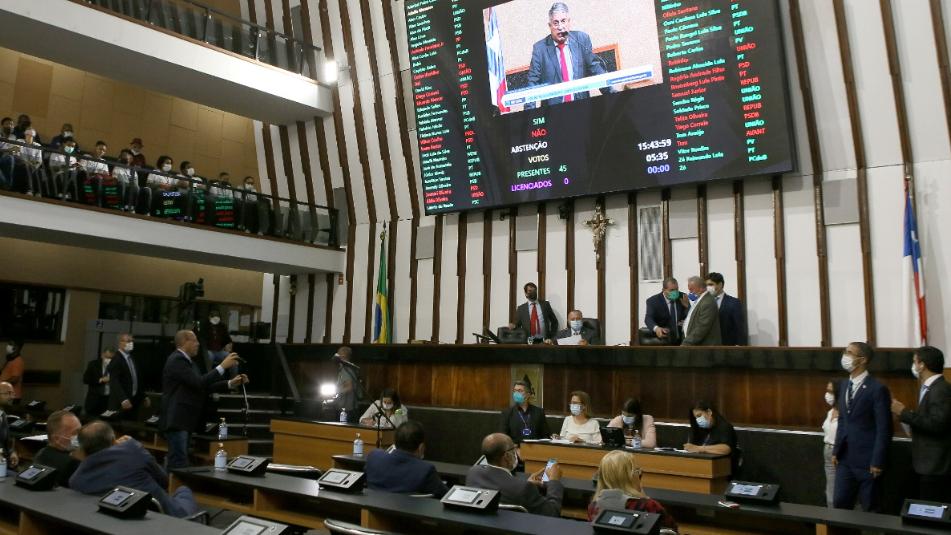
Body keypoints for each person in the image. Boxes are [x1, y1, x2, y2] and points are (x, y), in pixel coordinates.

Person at [69, 421, 199, 518]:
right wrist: (133, 446)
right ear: (113, 440)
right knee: (183, 489)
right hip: (168, 517)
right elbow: (164, 481)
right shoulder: (132, 450)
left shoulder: (77, 480)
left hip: (119, 523)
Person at [160, 330, 248, 470]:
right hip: (177, 420)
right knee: (178, 463)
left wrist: (230, 383)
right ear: (184, 342)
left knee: (180, 461)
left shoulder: (190, 363)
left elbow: (203, 386)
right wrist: (222, 366)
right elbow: (199, 382)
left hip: (184, 421)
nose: (198, 344)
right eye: (194, 340)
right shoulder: (177, 360)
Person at [832, 342, 891, 512]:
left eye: (849, 352)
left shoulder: (877, 389)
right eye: (845, 351)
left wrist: (877, 461)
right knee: (840, 503)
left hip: (868, 461)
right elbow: (842, 420)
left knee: (870, 508)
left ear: (862, 360)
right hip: (845, 458)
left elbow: (883, 428)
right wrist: (836, 450)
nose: (845, 355)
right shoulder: (844, 384)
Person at [891, 346, 951, 503]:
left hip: (935, 465)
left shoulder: (940, 389)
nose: (913, 366)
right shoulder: (929, 388)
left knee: (932, 508)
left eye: (914, 362)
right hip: (925, 463)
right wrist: (903, 415)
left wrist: (904, 413)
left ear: (922, 365)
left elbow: (937, 424)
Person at [525, 3, 613, 107]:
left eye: (563, 21)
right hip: (553, 112)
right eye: (556, 23)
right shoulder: (540, 49)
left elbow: (596, 71)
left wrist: (614, 97)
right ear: (550, 26)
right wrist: (530, 112)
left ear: (569, 22)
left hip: (581, 107)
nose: (560, 27)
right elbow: (532, 83)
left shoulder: (581, 39)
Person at [466, 433, 563, 516]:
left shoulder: (473, 473)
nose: (516, 453)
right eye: (514, 449)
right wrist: (554, 480)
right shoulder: (523, 489)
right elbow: (552, 512)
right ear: (507, 456)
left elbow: (503, 487)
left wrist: (526, 484)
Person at [587, 450, 678, 531]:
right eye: (637, 471)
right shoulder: (648, 506)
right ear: (632, 476)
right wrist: (643, 497)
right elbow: (672, 530)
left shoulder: (594, 507)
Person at [365, 420, 448, 497]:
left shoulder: (374, 457)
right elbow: (446, 496)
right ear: (421, 447)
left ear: (394, 443)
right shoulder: (425, 470)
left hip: (372, 507)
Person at [33, 409, 82, 487]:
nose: (80, 436)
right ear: (56, 439)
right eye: (75, 433)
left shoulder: (41, 453)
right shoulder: (73, 463)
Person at [685, 400, 737, 465]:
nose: (698, 420)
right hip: (700, 464)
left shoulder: (724, 427)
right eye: (696, 418)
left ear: (709, 412)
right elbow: (692, 446)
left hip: (721, 466)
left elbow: (726, 449)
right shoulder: (698, 428)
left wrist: (699, 448)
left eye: (699, 415)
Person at [108, 333, 149, 415]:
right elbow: (114, 381)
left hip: (133, 402)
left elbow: (136, 379)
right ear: (120, 343)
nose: (131, 343)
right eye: (128, 341)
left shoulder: (132, 358)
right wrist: (123, 399)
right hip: (120, 404)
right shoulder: (116, 359)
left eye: (132, 341)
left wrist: (144, 396)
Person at [499, 379, 550, 445]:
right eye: (514, 391)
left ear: (528, 394)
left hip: (535, 449)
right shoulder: (507, 413)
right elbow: (503, 437)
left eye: (520, 391)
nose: (516, 393)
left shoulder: (539, 412)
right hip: (515, 449)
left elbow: (545, 436)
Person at [705, 272, 748, 346]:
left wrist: (740, 346)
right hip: (707, 346)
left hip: (726, 346)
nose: (708, 288)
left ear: (720, 284)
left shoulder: (733, 303)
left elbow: (739, 327)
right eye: (706, 285)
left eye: (711, 284)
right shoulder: (704, 302)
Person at [644, 278, 689, 345]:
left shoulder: (682, 297)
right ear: (663, 290)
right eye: (672, 290)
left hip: (682, 340)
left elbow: (690, 315)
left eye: (677, 289)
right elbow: (648, 318)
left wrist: (687, 306)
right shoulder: (653, 301)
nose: (675, 292)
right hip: (664, 340)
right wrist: (656, 329)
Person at [681, 276, 721, 346]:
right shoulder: (700, 299)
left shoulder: (708, 302)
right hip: (695, 345)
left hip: (704, 347)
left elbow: (702, 327)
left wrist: (686, 343)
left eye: (691, 289)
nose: (690, 292)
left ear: (701, 288)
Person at [822, 380, 841, 507]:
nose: (827, 394)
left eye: (831, 391)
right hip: (828, 451)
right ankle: (831, 513)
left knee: (842, 491)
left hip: (840, 453)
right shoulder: (830, 412)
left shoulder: (846, 413)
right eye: (827, 391)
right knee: (830, 489)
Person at [83, 347, 113, 417]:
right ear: (102, 355)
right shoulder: (93, 364)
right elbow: (85, 379)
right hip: (94, 400)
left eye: (111, 358)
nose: (108, 360)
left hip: (108, 401)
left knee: (105, 422)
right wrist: (100, 380)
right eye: (107, 357)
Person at [333, 346, 360, 420]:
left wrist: (335, 393)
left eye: (338, 354)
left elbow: (349, 387)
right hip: (349, 408)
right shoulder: (350, 368)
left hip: (345, 410)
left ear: (343, 356)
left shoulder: (346, 369)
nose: (336, 356)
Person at [0, 382, 19, 469]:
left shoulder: (3, 414)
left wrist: (12, 452)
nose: (12, 397)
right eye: (8, 393)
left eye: (13, 393)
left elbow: (6, 441)